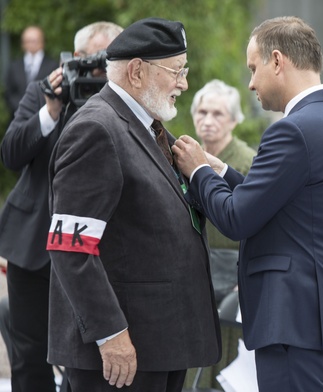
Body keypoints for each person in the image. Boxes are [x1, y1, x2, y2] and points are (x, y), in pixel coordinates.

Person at [173, 16, 323, 392]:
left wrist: (197, 172)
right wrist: (222, 171)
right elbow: (283, 206)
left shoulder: (291, 130)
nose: (251, 83)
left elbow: (238, 217)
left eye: (253, 68)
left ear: (277, 61)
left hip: (295, 324)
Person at [45, 17, 221, 391]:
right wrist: (111, 334)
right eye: (176, 71)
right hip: (124, 356)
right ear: (138, 72)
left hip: (159, 345)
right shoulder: (97, 128)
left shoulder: (145, 126)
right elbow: (71, 248)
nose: (184, 83)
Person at [0, 21, 122, 392]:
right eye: (89, 62)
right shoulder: (44, 92)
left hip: (89, 254)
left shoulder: (121, 104)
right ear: (72, 59)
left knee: (82, 358)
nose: (95, 72)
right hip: (32, 246)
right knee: (28, 356)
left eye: (105, 62)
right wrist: (51, 111)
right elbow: (11, 153)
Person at [190, 79, 256, 305]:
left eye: (217, 114)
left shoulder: (248, 163)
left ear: (234, 120)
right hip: (195, 269)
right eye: (202, 112)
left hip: (235, 275)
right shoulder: (186, 157)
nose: (208, 121)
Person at [3, 26, 59, 118]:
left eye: (34, 40)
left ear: (42, 42)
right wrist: (20, 108)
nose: (31, 44)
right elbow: (9, 92)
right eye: (28, 41)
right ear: (22, 44)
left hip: (44, 116)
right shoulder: (14, 66)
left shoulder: (52, 65)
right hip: (17, 117)